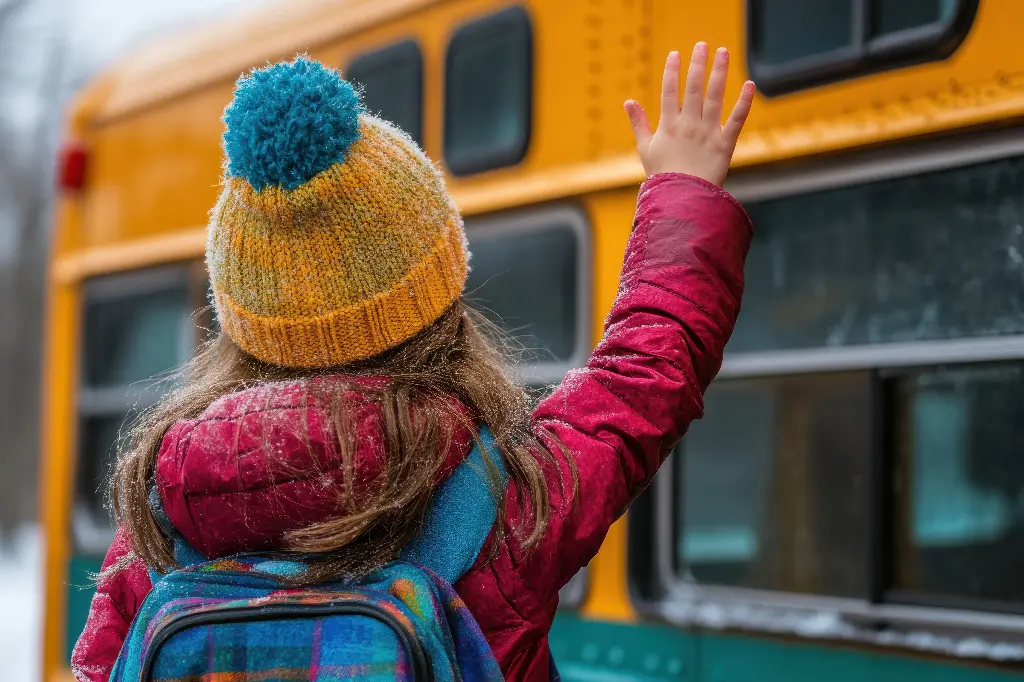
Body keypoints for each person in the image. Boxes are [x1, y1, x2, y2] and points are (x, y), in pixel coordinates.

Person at [71, 42, 755, 681]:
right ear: (438, 295)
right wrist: (681, 189)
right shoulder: (512, 502)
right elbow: (643, 371)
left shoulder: (161, 517)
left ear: (242, 325)